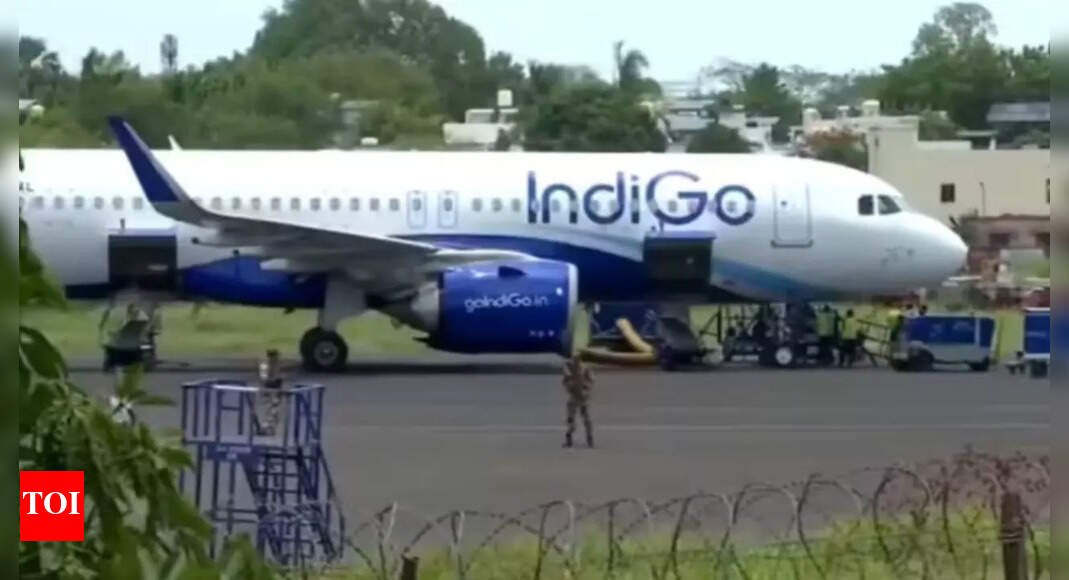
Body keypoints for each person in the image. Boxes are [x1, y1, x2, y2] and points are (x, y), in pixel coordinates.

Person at [562, 355, 594, 448]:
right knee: (570, 419)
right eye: (574, 360)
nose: (575, 362)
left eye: (577, 360)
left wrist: (586, 389)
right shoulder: (569, 369)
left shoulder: (585, 369)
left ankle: (590, 439)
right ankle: (569, 438)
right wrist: (570, 386)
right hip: (574, 397)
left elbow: (591, 380)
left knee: (587, 420)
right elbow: (565, 381)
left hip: (583, 398)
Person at [257, 349, 284, 436]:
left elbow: (268, 377)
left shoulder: (270, 366)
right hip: (271, 388)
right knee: (270, 408)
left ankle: (269, 427)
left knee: (273, 408)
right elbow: (264, 377)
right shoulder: (266, 365)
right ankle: (267, 426)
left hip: (273, 388)